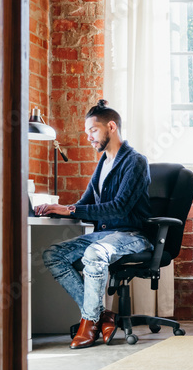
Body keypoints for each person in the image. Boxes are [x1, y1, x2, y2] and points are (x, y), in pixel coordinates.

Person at [36, 100, 152, 349]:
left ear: (111, 126)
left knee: (94, 252)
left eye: (93, 130)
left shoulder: (135, 162)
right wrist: (55, 209)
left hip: (131, 234)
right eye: (86, 132)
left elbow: (119, 207)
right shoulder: (102, 164)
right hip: (105, 234)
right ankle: (102, 315)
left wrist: (70, 209)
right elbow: (86, 204)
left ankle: (89, 322)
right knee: (53, 254)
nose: (88, 137)